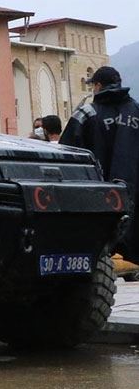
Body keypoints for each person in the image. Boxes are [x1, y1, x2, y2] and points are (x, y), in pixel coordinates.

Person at [61, 66, 139, 256]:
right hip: (134, 191)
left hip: (99, 195)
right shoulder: (137, 109)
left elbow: (66, 150)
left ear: (97, 85)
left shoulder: (87, 112)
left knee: (99, 251)